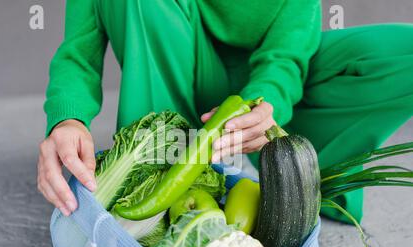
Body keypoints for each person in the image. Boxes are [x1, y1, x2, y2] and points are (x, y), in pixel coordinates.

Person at [37, 0, 413, 223]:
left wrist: (266, 105)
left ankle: (295, 173)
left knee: (402, 52)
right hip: (174, 69)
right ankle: (160, 182)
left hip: (265, 97)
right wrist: (67, 119)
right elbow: (78, 53)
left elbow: (285, 57)